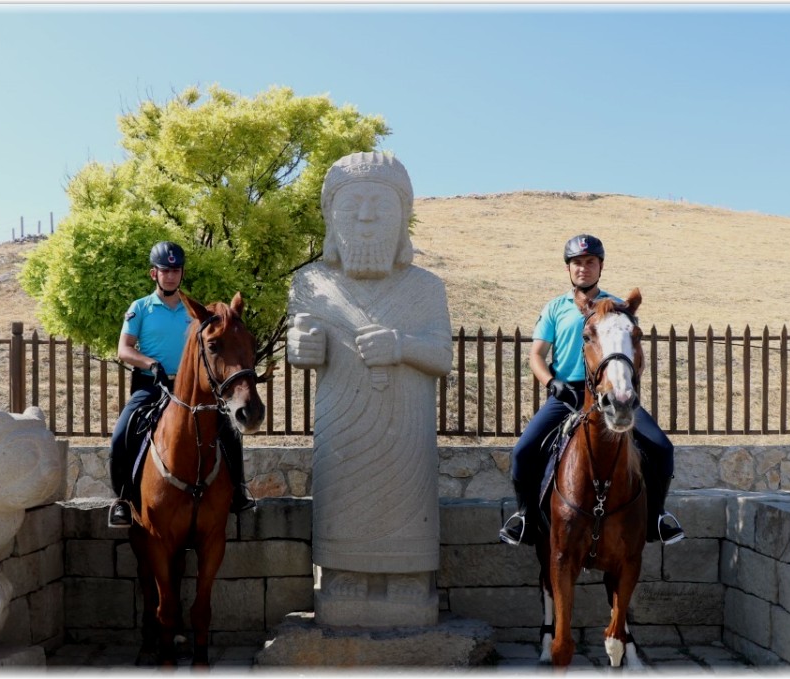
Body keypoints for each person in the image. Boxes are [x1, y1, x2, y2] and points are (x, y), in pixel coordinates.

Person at [287, 151, 453, 627]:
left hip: (407, 429)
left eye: (380, 206)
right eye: (351, 205)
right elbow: (300, 349)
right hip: (341, 424)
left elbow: (442, 357)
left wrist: (400, 346)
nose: (364, 218)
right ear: (330, 218)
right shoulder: (312, 283)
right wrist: (303, 345)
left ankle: (410, 576)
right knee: (343, 494)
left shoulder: (425, 287)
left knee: (406, 497)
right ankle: (342, 572)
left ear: (403, 218)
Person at [499, 234, 684, 546]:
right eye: (577, 263)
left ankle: (657, 517)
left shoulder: (615, 307)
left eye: (590, 262)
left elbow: (633, 350)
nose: (583, 268)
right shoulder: (555, 308)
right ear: (568, 269)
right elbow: (536, 355)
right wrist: (550, 382)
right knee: (523, 452)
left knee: (662, 448)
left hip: (609, 394)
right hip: (566, 396)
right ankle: (526, 517)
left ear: (600, 267)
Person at [107, 241, 254, 528]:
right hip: (152, 385)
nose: (171, 276)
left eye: (175, 270)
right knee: (121, 434)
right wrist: (151, 363)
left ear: (182, 273)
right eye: (165, 270)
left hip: (193, 391)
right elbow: (124, 349)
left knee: (229, 434)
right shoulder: (140, 308)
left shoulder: (195, 312)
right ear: (154, 274)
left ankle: (237, 491)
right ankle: (123, 500)